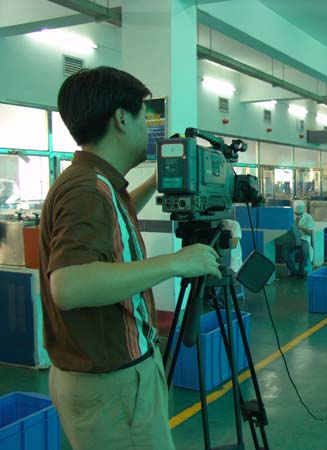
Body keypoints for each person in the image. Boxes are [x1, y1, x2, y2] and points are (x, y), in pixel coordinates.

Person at [39, 66, 222, 450]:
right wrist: (176, 262)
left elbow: (114, 219)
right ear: (121, 119)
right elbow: (69, 286)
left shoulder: (95, 183)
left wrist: (158, 180)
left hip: (106, 377)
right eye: (144, 117)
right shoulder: (87, 190)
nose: (148, 128)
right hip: (112, 384)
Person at [284, 200, 315, 277]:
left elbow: (311, 232)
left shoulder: (308, 218)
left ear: (303, 211)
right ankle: (293, 270)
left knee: (305, 252)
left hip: (304, 239)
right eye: (296, 214)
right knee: (284, 252)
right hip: (292, 239)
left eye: (299, 214)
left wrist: (302, 228)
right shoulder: (289, 216)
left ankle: (301, 272)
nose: (297, 216)